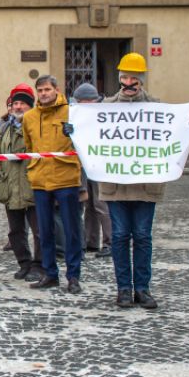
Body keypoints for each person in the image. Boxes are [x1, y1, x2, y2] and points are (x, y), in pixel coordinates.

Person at [99, 54, 189, 309]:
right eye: (125, 77)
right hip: (115, 185)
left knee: (143, 236)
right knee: (121, 236)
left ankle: (143, 288)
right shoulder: (106, 108)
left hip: (147, 184)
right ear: (119, 78)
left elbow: (172, 134)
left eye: (134, 77)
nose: (129, 82)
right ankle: (124, 288)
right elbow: (94, 136)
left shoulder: (158, 108)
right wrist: (75, 132)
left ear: (141, 80)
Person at [22, 75, 83, 294]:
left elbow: (84, 141)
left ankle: (73, 275)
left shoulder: (72, 112)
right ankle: (50, 273)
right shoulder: (29, 117)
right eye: (40, 90)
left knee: (70, 229)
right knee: (44, 230)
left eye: (47, 89)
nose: (43, 94)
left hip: (65, 175)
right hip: (40, 177)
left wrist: (74, 133)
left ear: (57, 90)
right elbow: (29, 146)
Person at [0, 84, 43, 282]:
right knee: (16, 231)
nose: (18, 107)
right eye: (15, 104)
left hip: (33, 185)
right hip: (10, 185)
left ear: (30, 107)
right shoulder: (4, 130)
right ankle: (24, 263)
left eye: (23, 104)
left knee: (40, 231)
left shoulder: (38, 126)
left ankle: (39, 265)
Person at [70, 83, 113, 259]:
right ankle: (91, 240)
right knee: (88, 204)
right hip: (82, 163)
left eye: (85, 101)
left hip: (99, 163)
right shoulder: (77, 113)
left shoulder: (103, 114)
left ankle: (110, 243)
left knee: (101, 204)